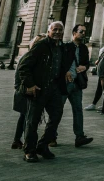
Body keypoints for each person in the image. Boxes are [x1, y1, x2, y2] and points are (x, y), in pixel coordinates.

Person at [16, 21, 66, 162]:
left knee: (56, 116)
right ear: (49, 31)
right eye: (54, 29)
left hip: (54, 88)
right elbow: (24, 66)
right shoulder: (41, 45)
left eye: (60, 30)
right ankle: (29, 151)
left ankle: (42, 145)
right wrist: (30, 85)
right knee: (33, 121)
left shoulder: (61, 47)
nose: (57, 32)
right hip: (39, 88)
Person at [57, 24, 93, 148]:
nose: (83, 34)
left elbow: (87, 63)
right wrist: (65, 71)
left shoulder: (84, 48)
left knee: (78, 110)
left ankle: (80, 137)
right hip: (65, 84)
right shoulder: (65, 47)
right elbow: (59, 63)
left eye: (84, 32)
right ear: (74, 33)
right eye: (81, 31)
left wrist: (85, 67)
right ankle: (51, 136)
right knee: (57, 110)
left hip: (77, 84)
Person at [11, 34, 45, 150]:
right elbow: (18, 77)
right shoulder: (28, 56)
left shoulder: (38, 57)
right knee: (29, 118)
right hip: (27, 92)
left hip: (29, 91)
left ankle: (17, 140)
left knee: (24, 117)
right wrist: (23, 89)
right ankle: (27, 142)